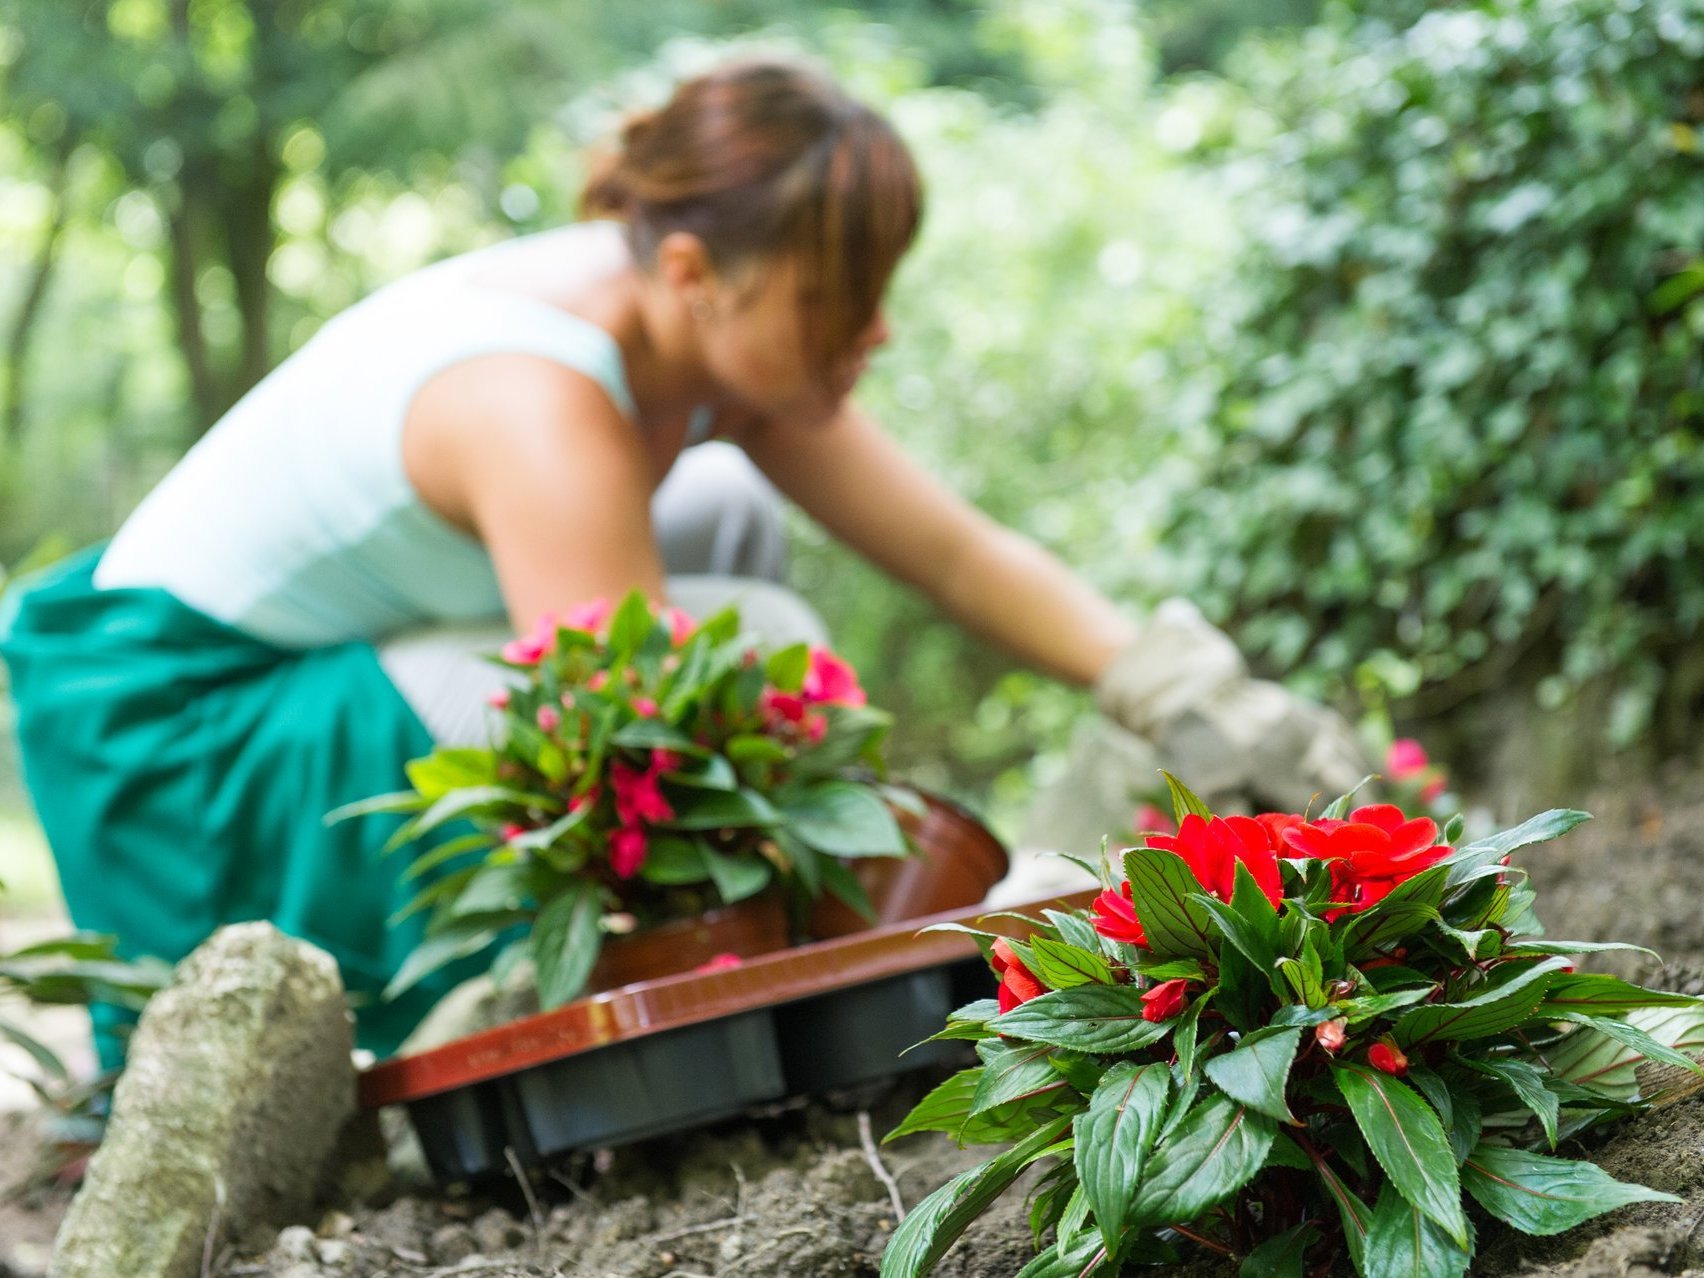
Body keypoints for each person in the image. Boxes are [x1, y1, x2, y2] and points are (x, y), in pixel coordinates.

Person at [0, 58, 1360, 1064]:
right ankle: (493, 979)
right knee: (754, 637)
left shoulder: (696, 322)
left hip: (301, 679)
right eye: (844, 299)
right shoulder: (540, 403)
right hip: (190, 746)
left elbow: (953, 549)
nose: (873, 334)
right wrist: (973, 909)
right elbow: (640, 736)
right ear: (701, 270)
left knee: (720, 516)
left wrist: (1176, 686)